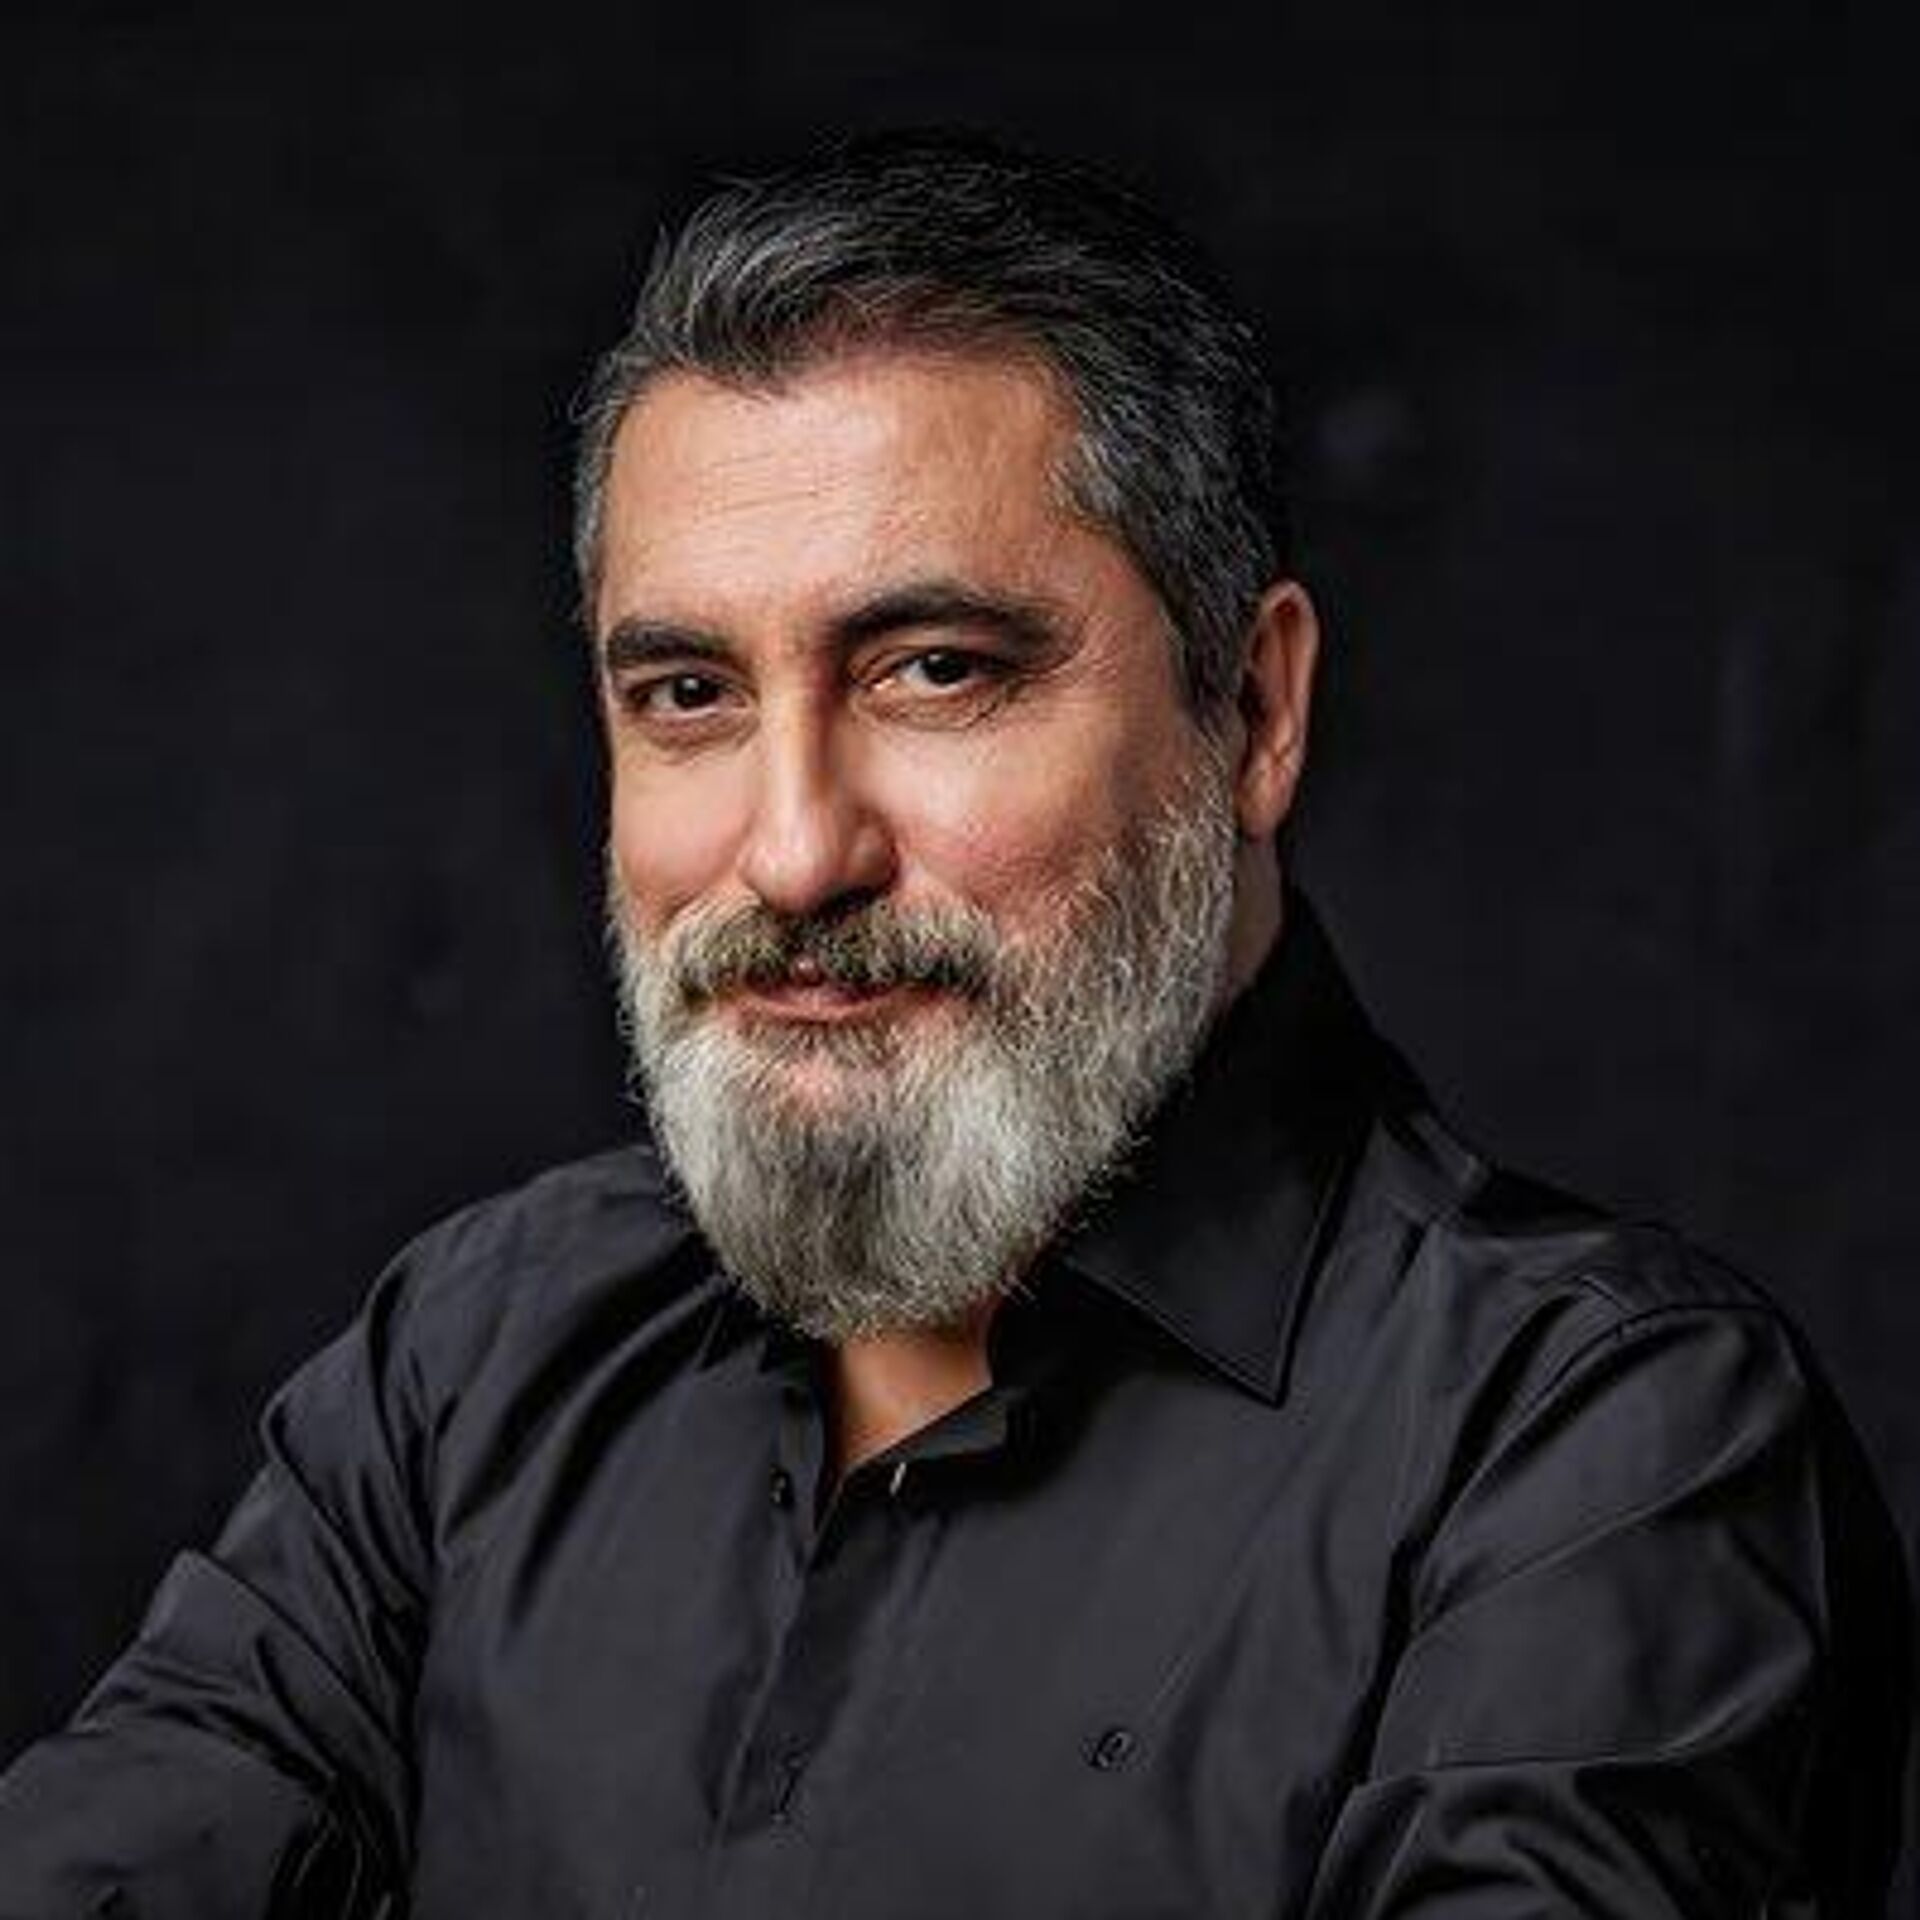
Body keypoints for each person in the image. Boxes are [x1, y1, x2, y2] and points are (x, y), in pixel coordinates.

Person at [0, 130, 1907, 1918]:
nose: (794, 849)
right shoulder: (474, 1361)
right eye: (687, 695)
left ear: (1253, 712)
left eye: (932, 671)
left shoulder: (1599, 1454)